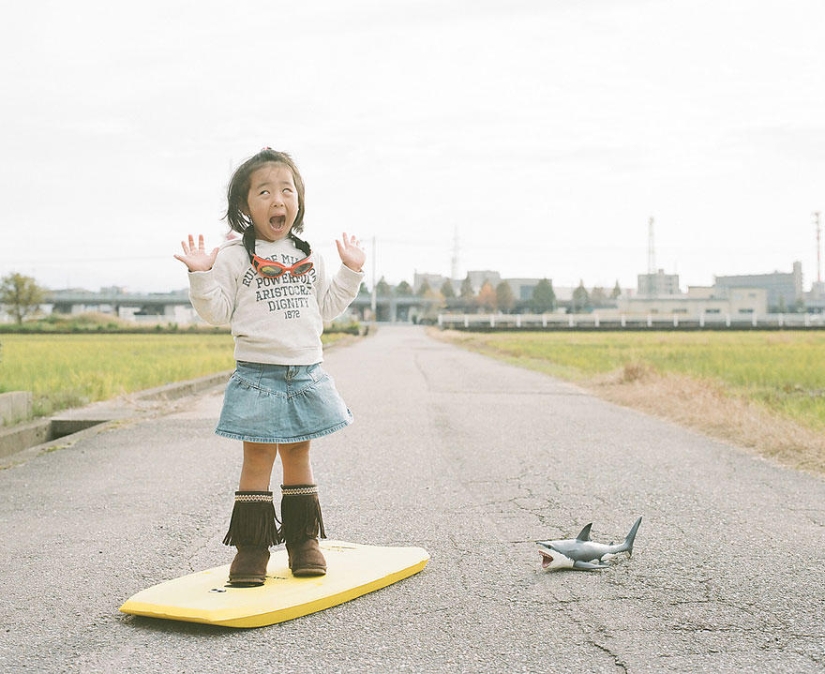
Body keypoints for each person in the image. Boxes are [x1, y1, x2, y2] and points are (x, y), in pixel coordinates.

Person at [174, 148, 365, 586]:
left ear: (298, 201)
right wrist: (202, 276)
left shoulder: (309, 252)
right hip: (257, 374)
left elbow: (327, 308)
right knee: (257, 458)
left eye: (287, 190)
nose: (277, 199)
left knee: (299, 454)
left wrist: (350, 272)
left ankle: (303, 542)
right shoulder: (234, 256)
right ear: (245, 206)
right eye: (264, 191)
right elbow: (217, 312)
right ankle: (252, 549)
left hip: (305, 372)